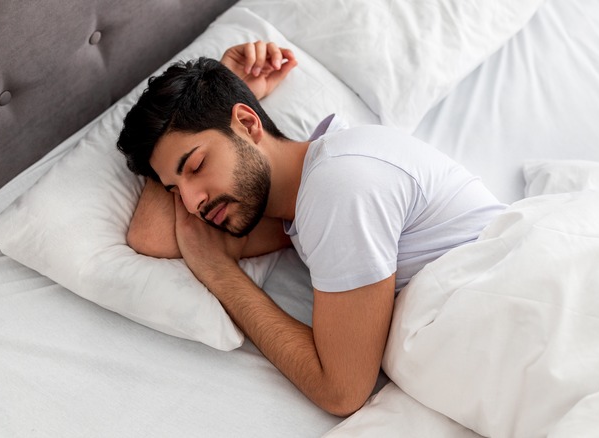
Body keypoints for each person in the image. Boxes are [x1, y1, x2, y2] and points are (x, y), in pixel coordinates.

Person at [116, 41, 506, 417]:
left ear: (249, 123)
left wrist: (220, 274)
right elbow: (151, 238)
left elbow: (342, 390)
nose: (190, 203)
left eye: (197, 165)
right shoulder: (298, 210)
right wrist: (214, 96)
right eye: (173, 189)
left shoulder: (339, 184)